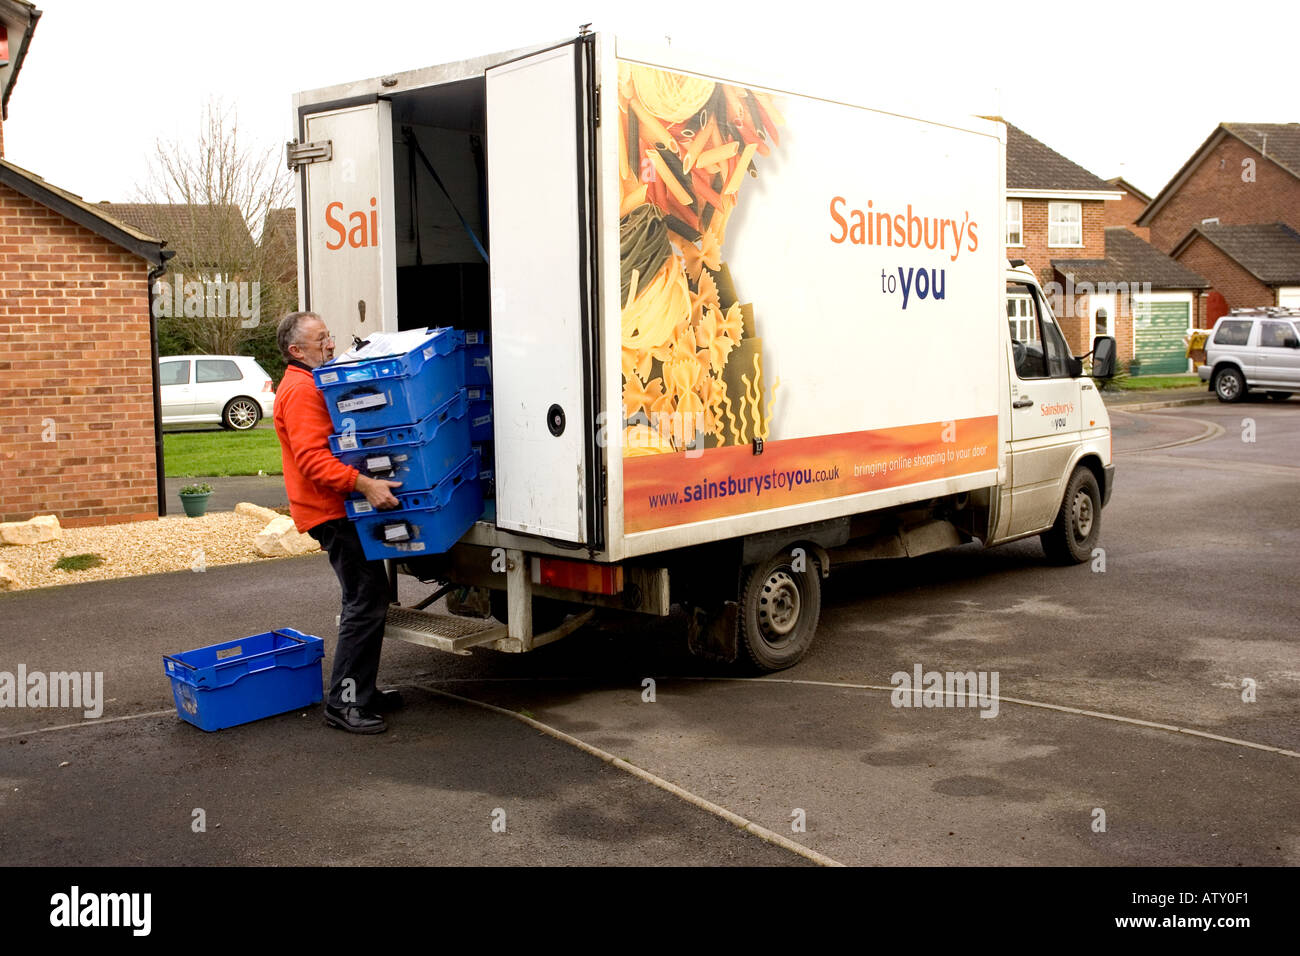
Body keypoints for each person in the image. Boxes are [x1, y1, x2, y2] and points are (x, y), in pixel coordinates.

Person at [273, 310, 404, 734]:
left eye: (329, 336)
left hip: (340, 508)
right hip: (330, 512)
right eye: (321, 339)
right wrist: (364, 484)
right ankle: (344, 704)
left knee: (368, 598)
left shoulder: (314, 382)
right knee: (365, 600)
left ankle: (360, 692)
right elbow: (312, 461)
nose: (331, 344)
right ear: (296, 350)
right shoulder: (300, 391)